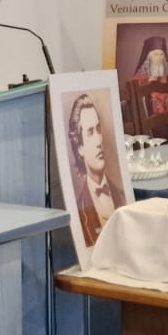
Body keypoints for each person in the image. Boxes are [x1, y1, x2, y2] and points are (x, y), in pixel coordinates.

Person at [66, 92, 122, 249]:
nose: (98, 140)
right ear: (80, 147)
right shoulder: (78, 209)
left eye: (98, 129)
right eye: (90, 132)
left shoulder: (122, 195)